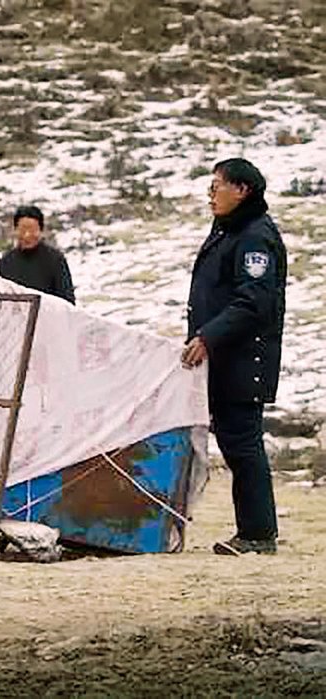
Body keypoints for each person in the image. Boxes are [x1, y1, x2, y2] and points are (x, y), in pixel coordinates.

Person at [181, 158, 287, 556]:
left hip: (245, 359)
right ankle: (255, 531)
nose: (211, 195)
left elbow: (252, 301)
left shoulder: (255, 238)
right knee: (235, 440)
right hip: (224, 357)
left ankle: (258, 535)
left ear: (242, 190)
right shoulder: (229, 230)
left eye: (217, 187)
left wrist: (208, 336)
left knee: (242, 443)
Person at [0, 205, 76, 304]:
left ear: (41, 230)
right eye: (23, 230)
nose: (27, 235)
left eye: (32, 230)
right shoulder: (6, 263)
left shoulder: (55, 260)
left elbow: (67, 301)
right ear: (15, 230)